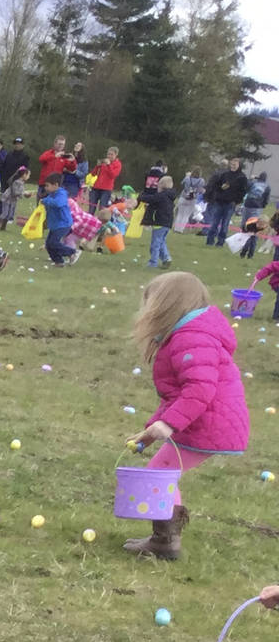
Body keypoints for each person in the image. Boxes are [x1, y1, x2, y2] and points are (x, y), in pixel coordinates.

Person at [121, 272, 249, 560]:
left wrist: (168, 423)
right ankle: (165, 539)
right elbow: (177, 395)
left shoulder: (192, 337)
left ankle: (165, 542)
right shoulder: (191, 332)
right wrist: (152, 428)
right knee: (161, 474)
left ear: (167, 305)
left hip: (208, 424)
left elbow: (199, 390)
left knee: (159, 475)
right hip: (202, 420)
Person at [205, 157, 247, 246]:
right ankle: (210, 241)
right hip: (219, 201)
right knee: (214, 222)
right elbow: (216, 185)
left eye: (235, 165)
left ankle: (220, 242)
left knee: (225, 224)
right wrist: (220, 188)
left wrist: (236, 201)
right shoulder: (225, 174)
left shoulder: (242, 177)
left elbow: (243, 191)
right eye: (231, 164)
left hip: (230, 203)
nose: (233, 166)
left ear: (239, 166)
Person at [139, 175, 174, 267]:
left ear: (161, 186)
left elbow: (152, 199)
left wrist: (142, 197)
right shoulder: (169, 197)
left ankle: (153, 262)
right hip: (167, 223)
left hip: (160, 222)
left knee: (155, 244)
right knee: (161, 242)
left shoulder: (162, 196)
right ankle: (166, 258)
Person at [40, 181, 75, 265]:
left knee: (53, 243)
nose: (46, 188)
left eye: (47, 185)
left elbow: (58, 203)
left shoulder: (62, 194)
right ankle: (58, 261)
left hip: (63, 224)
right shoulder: (51, 195)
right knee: (49, 244)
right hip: (55, 224)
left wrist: (45, 200)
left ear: (55, 185)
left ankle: (72, 252)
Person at [86, 144, 121, 213]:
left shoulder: (118, 164)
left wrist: (109, 165)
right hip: (96, 187)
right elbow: (93, 174)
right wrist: (97, 166)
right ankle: (90, 222)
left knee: (102, 209)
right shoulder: (103, 162)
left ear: (116, 155)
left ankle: (100, 223)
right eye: (108, 154)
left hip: (106, 189)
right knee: (91, 207)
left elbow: (113, 175)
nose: (109, 156)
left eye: (111, 154)